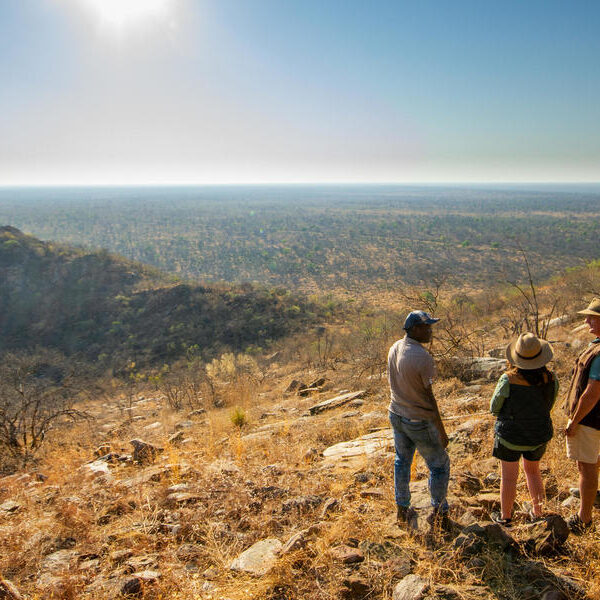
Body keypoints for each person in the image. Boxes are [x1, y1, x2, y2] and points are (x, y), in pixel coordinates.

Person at [388, 310, 450, 527]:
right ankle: (440, 512)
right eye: (426, 327)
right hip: (418, 420)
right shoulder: (423, 357)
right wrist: (441, 431)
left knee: (402, 461)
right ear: (415, 329)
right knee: (439, 465)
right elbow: (429, 398)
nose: (430, 330)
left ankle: (402, 507)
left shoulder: (395, 347)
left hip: (396, 412)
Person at [489, 332, 557, 526]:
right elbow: (549, 404)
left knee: (509, 477)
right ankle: (538, 513)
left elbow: (494, 407)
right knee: (533, 472)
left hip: (510, 436)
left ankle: (506, 517)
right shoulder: (550, 378)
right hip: (539, 435)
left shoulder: (508, 379)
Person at [564, 298, 600, 534]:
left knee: (586, 469)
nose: (586, 320)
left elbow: (592, 392)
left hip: (589, 419)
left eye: (592, 317)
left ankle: (584, 519)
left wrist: (574, 421)